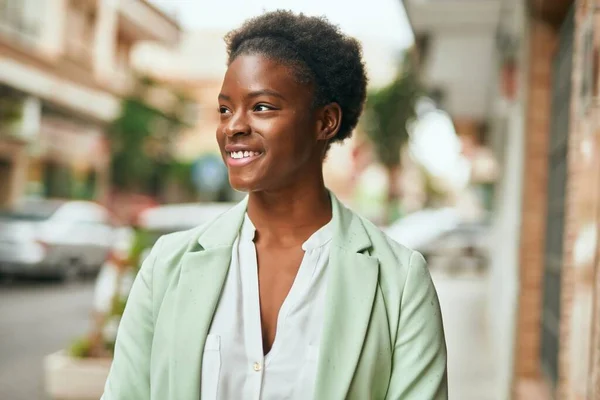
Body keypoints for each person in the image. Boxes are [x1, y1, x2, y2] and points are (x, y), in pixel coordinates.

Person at [101, 10, 447, 400]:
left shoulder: (399, 284)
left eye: (262, 107)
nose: (233, 126)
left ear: (325, 122)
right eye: (225, 109)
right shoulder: (168, 265)